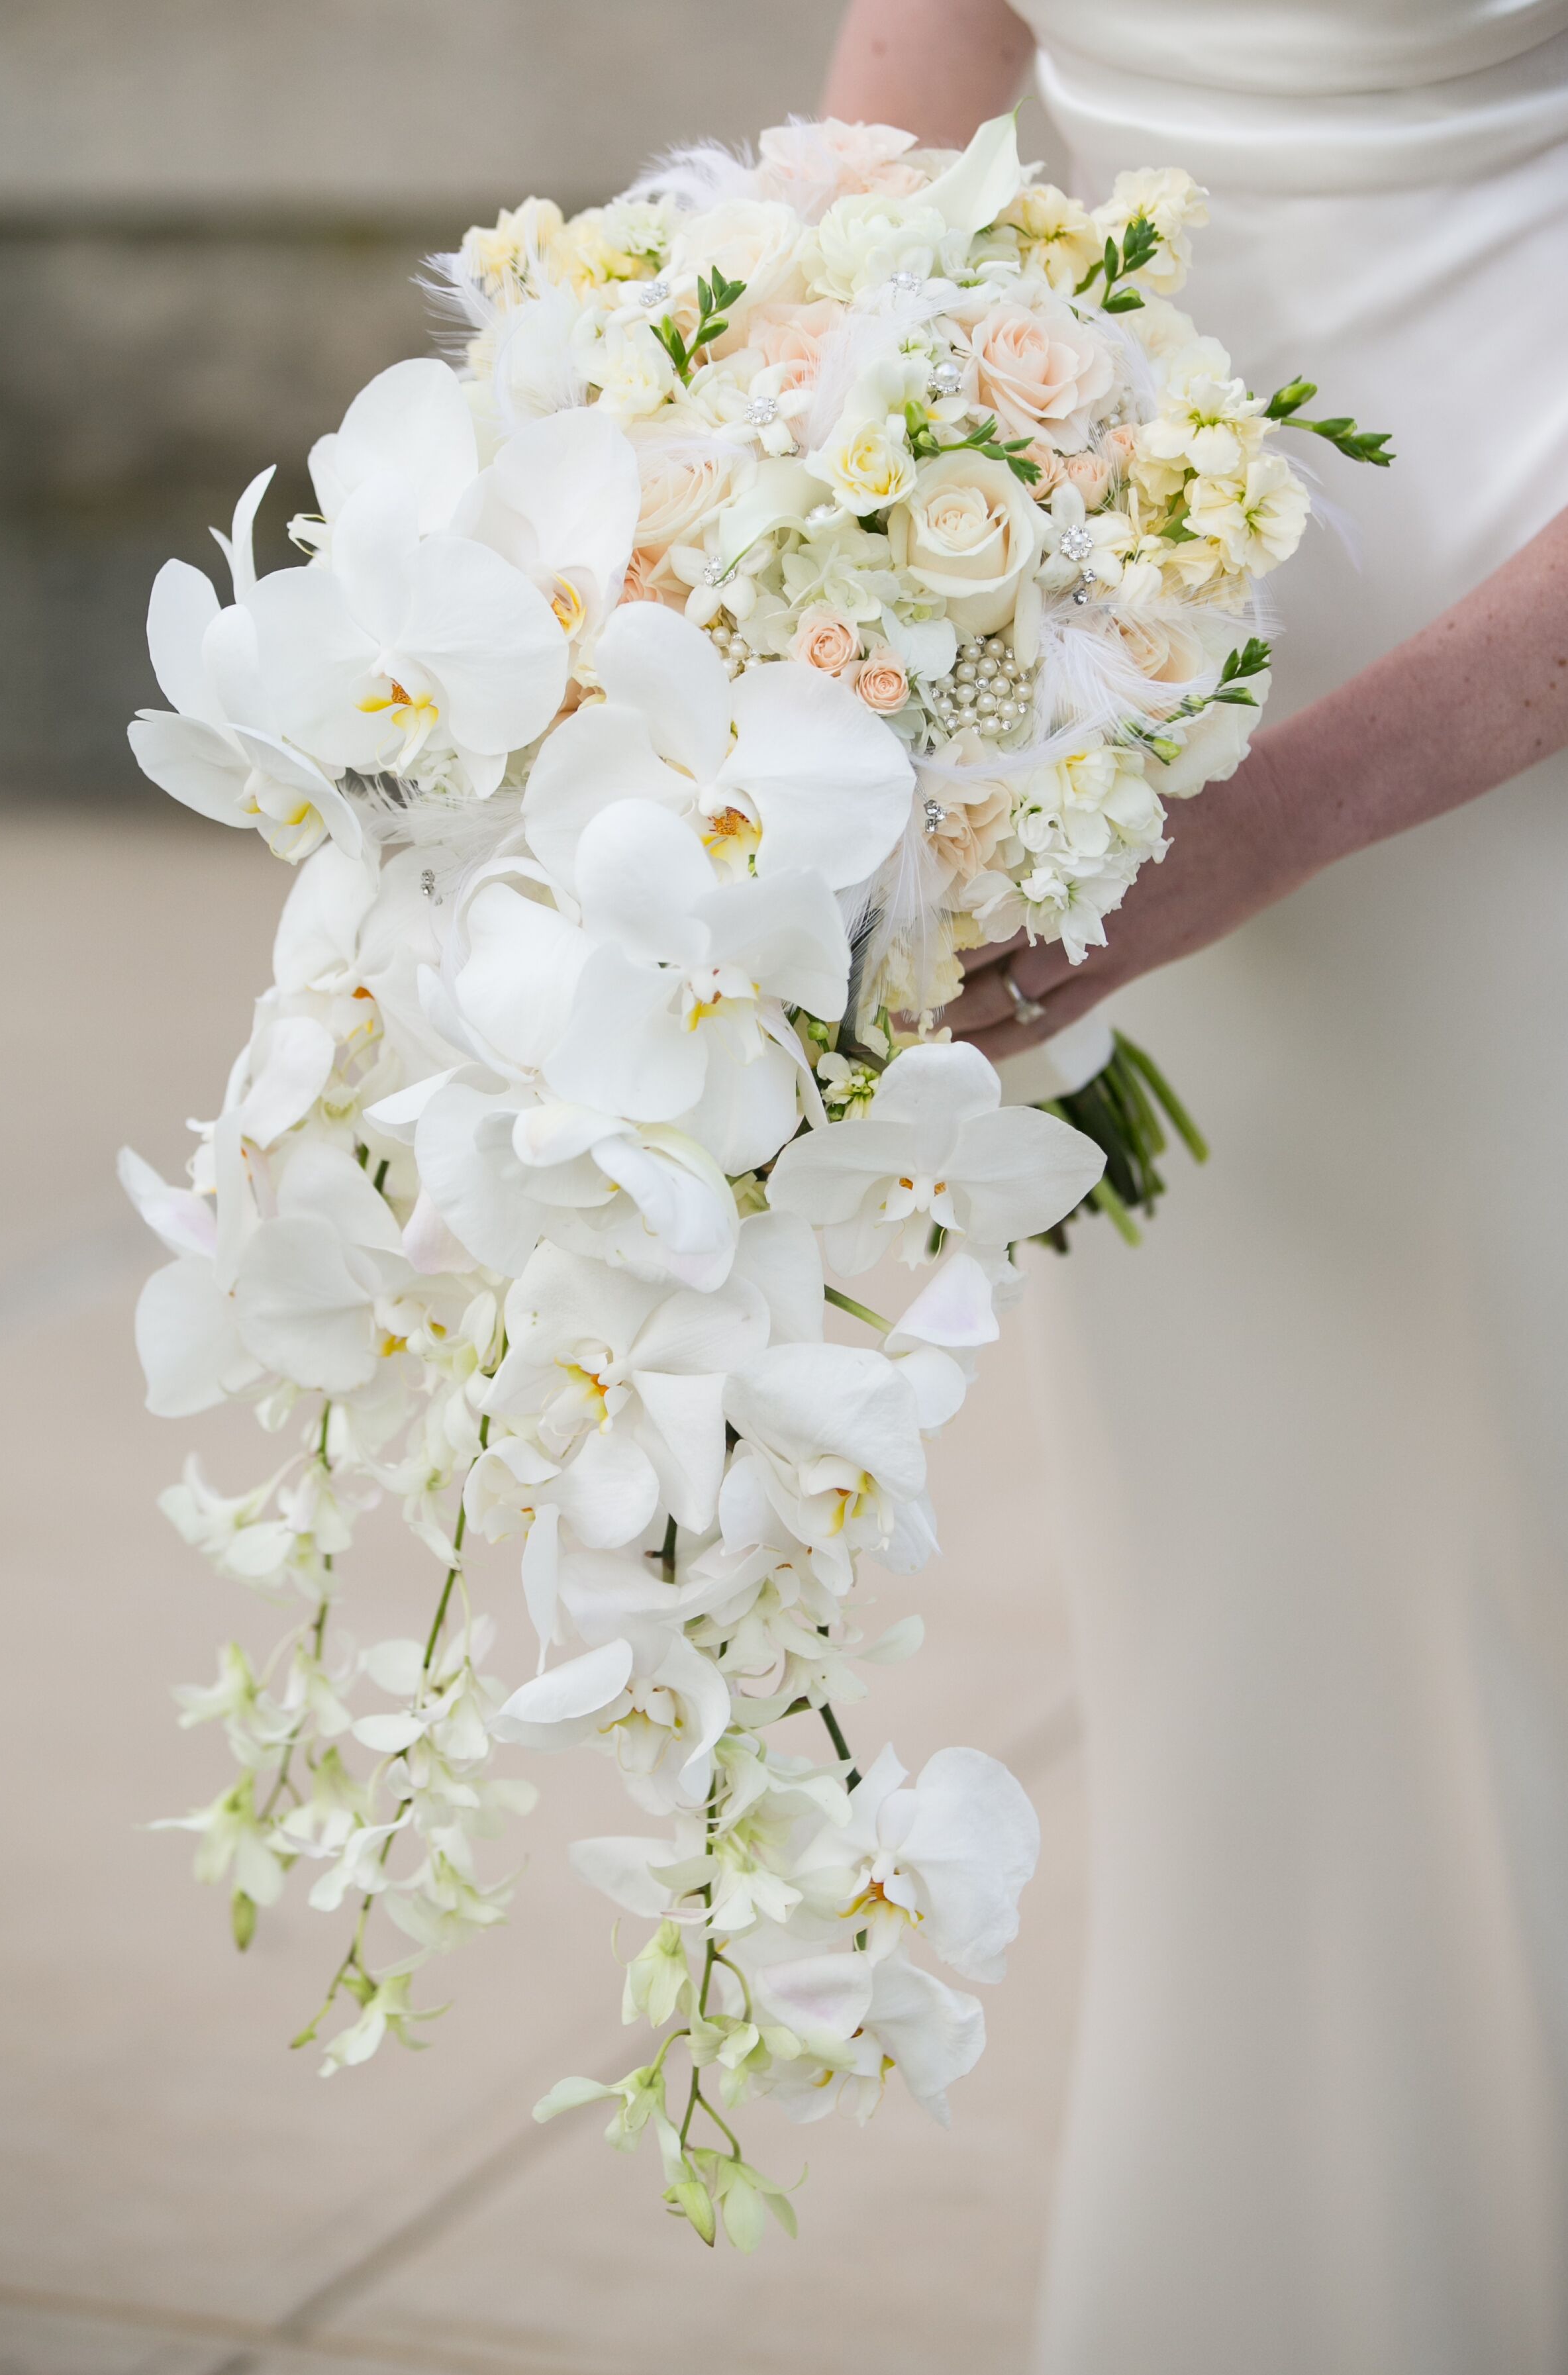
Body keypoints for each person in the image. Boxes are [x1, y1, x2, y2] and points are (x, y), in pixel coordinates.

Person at [823, 7, 1568, 2372]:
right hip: (1120, 674)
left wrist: (1258, 827)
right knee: (1266, 1577)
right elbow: (922, 68)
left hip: (1505, 673)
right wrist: (779, 512)